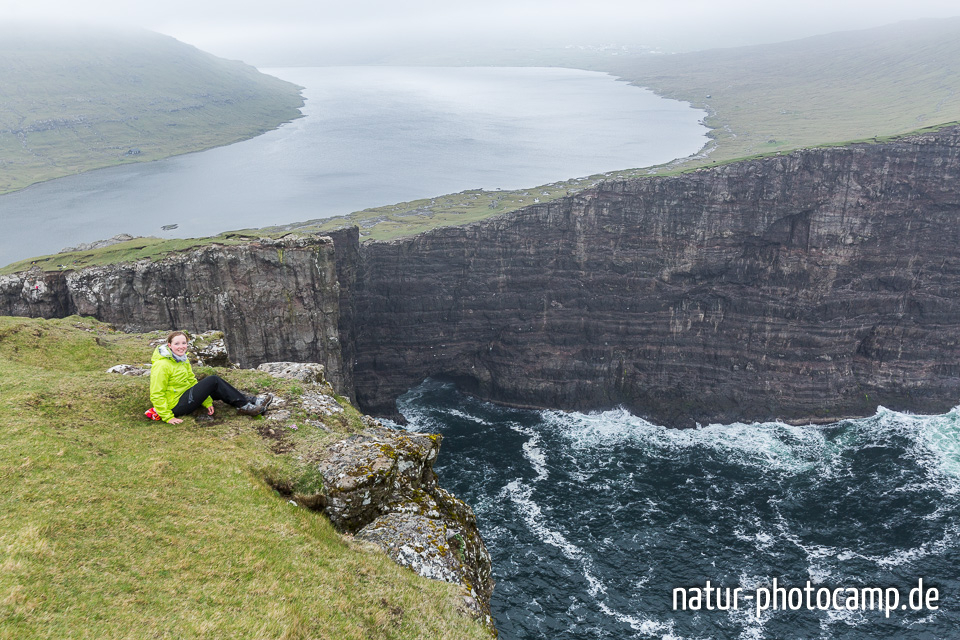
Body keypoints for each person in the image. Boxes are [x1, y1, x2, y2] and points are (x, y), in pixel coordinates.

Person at [149, 330, 271, 424]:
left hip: (185, 395)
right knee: (213, 380)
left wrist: (207, 401)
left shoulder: (182, 359)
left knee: (216, 388)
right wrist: (168, 417)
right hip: (176, 405)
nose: (181, 346)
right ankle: (245, 406)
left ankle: (251, 401)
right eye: (177, 344)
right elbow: (156, 393)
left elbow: (192, 381)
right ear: (169, 346)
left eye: (184, 343)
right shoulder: (162, 365)